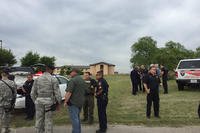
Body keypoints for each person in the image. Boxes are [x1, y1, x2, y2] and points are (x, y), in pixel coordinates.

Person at [31, 65, 62, 133]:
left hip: (39, 101)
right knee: (48, 120)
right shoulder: (53, 79)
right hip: (49, 102)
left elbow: (32, 93)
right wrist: (58, 103)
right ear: (51, 70)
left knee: (39, 119)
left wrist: (35, 101)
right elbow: (57, 93)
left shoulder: (37, 79)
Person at [64, 68, 87, 133]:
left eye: (71, 72)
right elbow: (85, 90)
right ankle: (77, 131)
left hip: (73, 103)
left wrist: (65, 101)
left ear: (74, 72)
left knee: (74, 119)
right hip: (80, 102)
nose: (70, 73)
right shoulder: (82, 80)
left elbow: (69, 92)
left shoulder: (73, 80)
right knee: (77, 118)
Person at [0, 68, 17, 133]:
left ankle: (3, 129)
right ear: (8, 74)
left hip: (1, 103)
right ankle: (6, 128)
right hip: (9, 103)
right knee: (8, 116)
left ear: (1, 74)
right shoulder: (12, 83)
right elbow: (15, 94)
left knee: (1, 117)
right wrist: (13, 103)